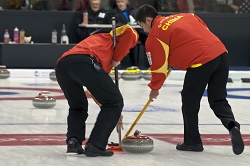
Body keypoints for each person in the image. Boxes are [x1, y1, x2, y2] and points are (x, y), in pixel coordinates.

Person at [135, 4, 244, 155]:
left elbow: (158, 67)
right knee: (218, 99)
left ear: (148, 19)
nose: (144, 30)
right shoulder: (186, 15)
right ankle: (232, 126)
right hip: (221, 53)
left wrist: (154, 89)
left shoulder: (155, 34)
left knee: (189, 100)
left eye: (142, 26)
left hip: (201, 61)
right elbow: (201, 31)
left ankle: (193, 141)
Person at [55, 24, 139, 157]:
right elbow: (131, 32)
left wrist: (113, 113)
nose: (127, 52)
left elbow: (95, 90)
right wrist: (116, 59)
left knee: (78, 106)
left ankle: (74, 141)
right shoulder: (111, 38)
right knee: (115, 101)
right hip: (85, 61)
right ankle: (96, 145)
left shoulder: (97, 43)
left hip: (62, 66)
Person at [114, 0, 147, 69]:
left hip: (138, 31)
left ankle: (151, 64)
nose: (120, 4)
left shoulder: (134, 11)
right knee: (130, 41)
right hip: (126, 34)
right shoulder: (114, 13)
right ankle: (134, 65)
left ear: (126, 2)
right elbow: (116, 25)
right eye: (118, 2)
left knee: (148, 41)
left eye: (122, 2)